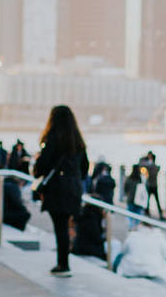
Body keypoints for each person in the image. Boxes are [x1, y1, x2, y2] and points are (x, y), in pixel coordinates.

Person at [32, 106, 89, 278]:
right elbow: (85, 169)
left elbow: (42, 166)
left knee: (60, 227)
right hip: (73, 189)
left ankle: (63, 264)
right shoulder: (78, 142)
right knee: (64, 225)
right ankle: (64, 262)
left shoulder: (52, 139)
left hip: (57, 189)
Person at [73, 160, 115, 259]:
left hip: (82, 248)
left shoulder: (85, 215)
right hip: (89, 250)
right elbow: (96, 237)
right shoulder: (91, 219)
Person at [112, 219, 166, 284]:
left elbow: (123, 251)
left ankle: (113, 275)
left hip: (132, 269)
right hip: (154, 270)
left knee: (119, 256)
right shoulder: (159, 236)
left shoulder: (132, 235)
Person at [141, 151, 166, 219]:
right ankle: (160, 215)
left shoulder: (149, 167)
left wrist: (145, 158)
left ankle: (147, 213)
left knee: (147, 201)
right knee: (157, 201)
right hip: (154, 186)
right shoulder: (157, 167)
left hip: (149, 186)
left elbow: (141, 164)